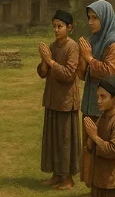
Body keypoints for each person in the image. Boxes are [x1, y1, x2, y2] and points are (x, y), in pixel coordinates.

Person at [79, 0, 115, 187]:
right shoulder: (94, 38)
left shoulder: (114, 43)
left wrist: (89, 57)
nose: (90, 22)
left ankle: (104, 186)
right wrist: (83, 58)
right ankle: (92, 185)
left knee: (104, 147)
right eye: (89, 18)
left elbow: (110, 72)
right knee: (90, 146)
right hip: (92, 102)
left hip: (107, 106)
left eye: (95, 18)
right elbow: (84, 74)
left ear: (105, 18)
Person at [37, 10, 81, 190]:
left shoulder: (73, 47)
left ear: (69, 28)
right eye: (54, 26)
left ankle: (68, 178)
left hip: (66, 102)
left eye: (60, 26)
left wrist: (50, 61)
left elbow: (69, 74)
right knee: (53, 139)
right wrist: (43, 61)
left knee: (65, 141)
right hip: (52, 99)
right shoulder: (52, 46)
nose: (56, 30)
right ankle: (56, 175)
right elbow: (42, 73)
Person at [83, 75, 115, 197]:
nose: (99, 101)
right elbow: (90, 148)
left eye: (103, 97)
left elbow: (113, 150)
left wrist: (94, 137)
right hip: (100, 177)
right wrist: (90, 138)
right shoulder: (102, 118)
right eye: (98, 96)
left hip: (112, 180)